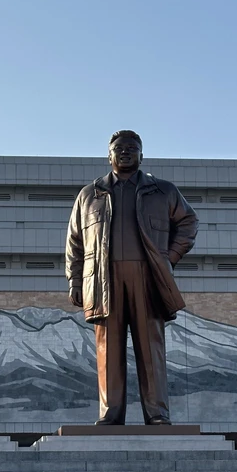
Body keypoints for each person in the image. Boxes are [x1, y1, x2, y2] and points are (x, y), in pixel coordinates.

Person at [65, 130, 198, 425]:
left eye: (132, 148)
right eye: (119, 148)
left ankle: (157, 414)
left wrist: (168, 258)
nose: (125, 152)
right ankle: (110, 414)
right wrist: (75, 281)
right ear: (109, 155)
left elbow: (188, 222)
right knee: (107, 349)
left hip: (147, 277)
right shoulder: (90, 194)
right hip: (103, 280)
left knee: (151, 348)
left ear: (142, 155)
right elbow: (75, 243)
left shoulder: (162, 191)